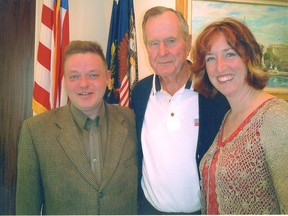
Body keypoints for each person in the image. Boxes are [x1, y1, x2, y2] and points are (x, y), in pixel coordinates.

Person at [16, 41, 138, 215]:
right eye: (74, 76)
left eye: (92, 75)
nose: (83, 84)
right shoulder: (35, 131)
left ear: (108, 77)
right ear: (65, 80)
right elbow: (26, 208)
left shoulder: (131, 120)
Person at [130, 6, 229, 215]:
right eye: (153, 43)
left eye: (171, 41)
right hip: (149, 210)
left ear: (188, 42)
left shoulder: (215, 94)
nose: (162, 52)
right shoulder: (139, 93)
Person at [192, 17, 288, 214]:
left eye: (229, 54)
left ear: (249, 58)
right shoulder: (228, 116)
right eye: (211, 58)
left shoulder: (275, 118)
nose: (220, 67)